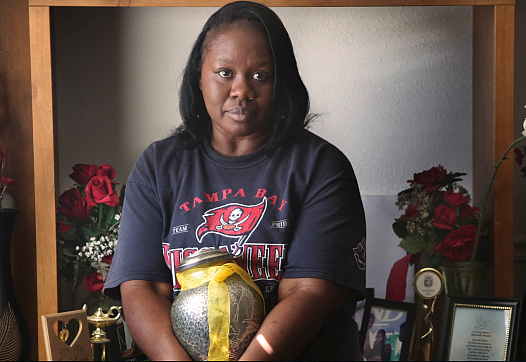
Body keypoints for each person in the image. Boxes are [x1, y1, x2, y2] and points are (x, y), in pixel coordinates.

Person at [103, 1, 366, 360]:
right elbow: (143, 287)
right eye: (225, 73)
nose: (242, 90)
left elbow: (308, 291)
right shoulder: (158, 166)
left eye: (261, 75)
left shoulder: (321, 167)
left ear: (282, 81)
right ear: (200, 76)